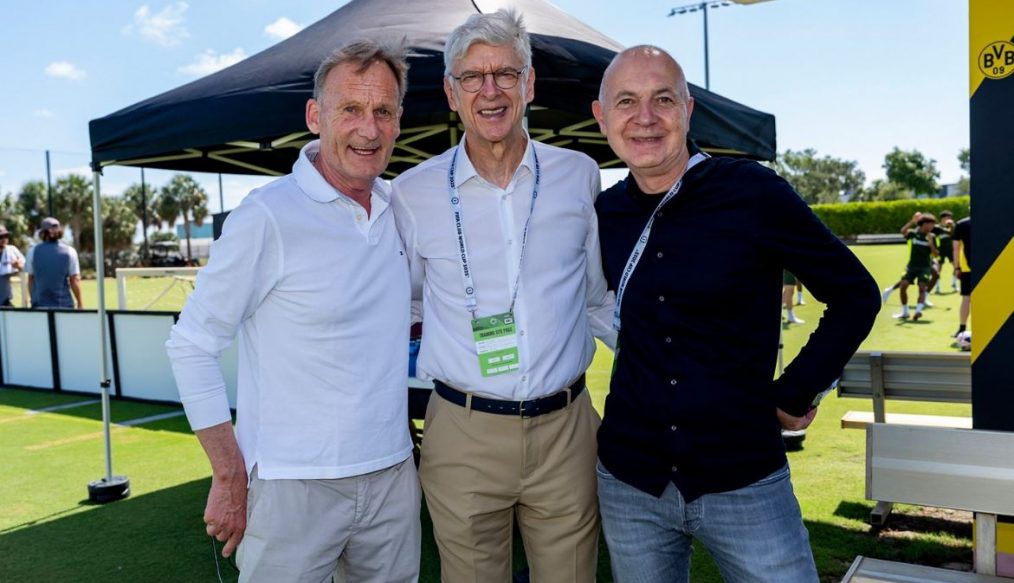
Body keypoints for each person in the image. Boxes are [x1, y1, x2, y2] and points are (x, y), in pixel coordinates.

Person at [591, 45, 880, 583]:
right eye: (626, 101)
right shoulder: (601, 214)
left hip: (744, 476)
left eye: (663, 100)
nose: (645, 117)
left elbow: (855, 293)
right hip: (632, 481)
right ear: (601, 117)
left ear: (689, 109)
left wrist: (796, 392)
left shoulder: (752, 192)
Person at [166, 41, 420, 583]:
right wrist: (230, 473)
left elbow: (413, 301)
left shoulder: (401, 207)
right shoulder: (267, 215)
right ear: (315, 116)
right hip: (290, 486)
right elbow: (191, 345)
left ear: (400, 121)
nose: (368, 130)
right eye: (350, 109)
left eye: (382, 111)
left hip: (394, 474)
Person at [391, 9, 615, 582]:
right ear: (450, 92)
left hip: (566, 432)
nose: (490, 91)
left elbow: (595, 300)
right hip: (461, 432)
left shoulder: (578, 175)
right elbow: (406, 306)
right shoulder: (411, 194)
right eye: (472, 77)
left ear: (530, 84)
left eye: (506, 74)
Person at [881, 212, 938, 320]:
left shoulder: (932, 236)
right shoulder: (913, 234)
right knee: (903, 286)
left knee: (922, 288)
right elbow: (903, 231)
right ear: (924, 224)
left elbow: (936, 254)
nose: (932, 227)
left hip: (924, 267)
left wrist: (931, 245)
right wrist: (912, 221)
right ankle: (905, 312)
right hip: (911, 266)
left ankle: (918, 311)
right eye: (931, 224)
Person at [26, 217, 83, 309]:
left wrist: (33, 300)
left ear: (43, 233)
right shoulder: (70, 251)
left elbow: (30, 280)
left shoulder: (32, 251)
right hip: (64, 305)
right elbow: (74, 280)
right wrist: (80, 303)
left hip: (39, 306)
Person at [952, 215, 972, 337]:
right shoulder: (990, 220)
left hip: (967, 268)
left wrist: (956, 267)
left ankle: (962, 328)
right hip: (989, 267)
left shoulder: (961, 224)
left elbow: (956, 248)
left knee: (966, 298)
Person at [0, 225, 26, 307]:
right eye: (1, 236)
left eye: (6, 236)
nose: (4, 239)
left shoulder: (12, 250)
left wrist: (19, 266)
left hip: (5, 300)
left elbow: (26, 267)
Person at [933, 210, 957, 293]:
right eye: (947, 217)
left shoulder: (952, 227)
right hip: (940, 251)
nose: (949, 219)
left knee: (956, 267)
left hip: (951, 250)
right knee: (938, 269)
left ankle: (954, 283)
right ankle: (937, 287)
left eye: (950, 218)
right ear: (942, 218)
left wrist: (952, 226)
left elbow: (955, 236)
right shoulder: (936, 228)